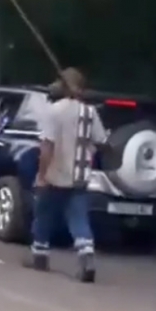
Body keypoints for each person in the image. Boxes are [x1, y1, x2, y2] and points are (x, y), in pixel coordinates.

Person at [27, 68, 107, 283]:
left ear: (62, 87)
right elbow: (100, 141)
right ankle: (86, 255)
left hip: (55, 174)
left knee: (44, 214)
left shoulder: (53, 111)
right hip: (79, 176)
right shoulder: (90, 113)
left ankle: (40, 255)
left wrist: (41, 175)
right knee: (79, 218)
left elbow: (47, 146)